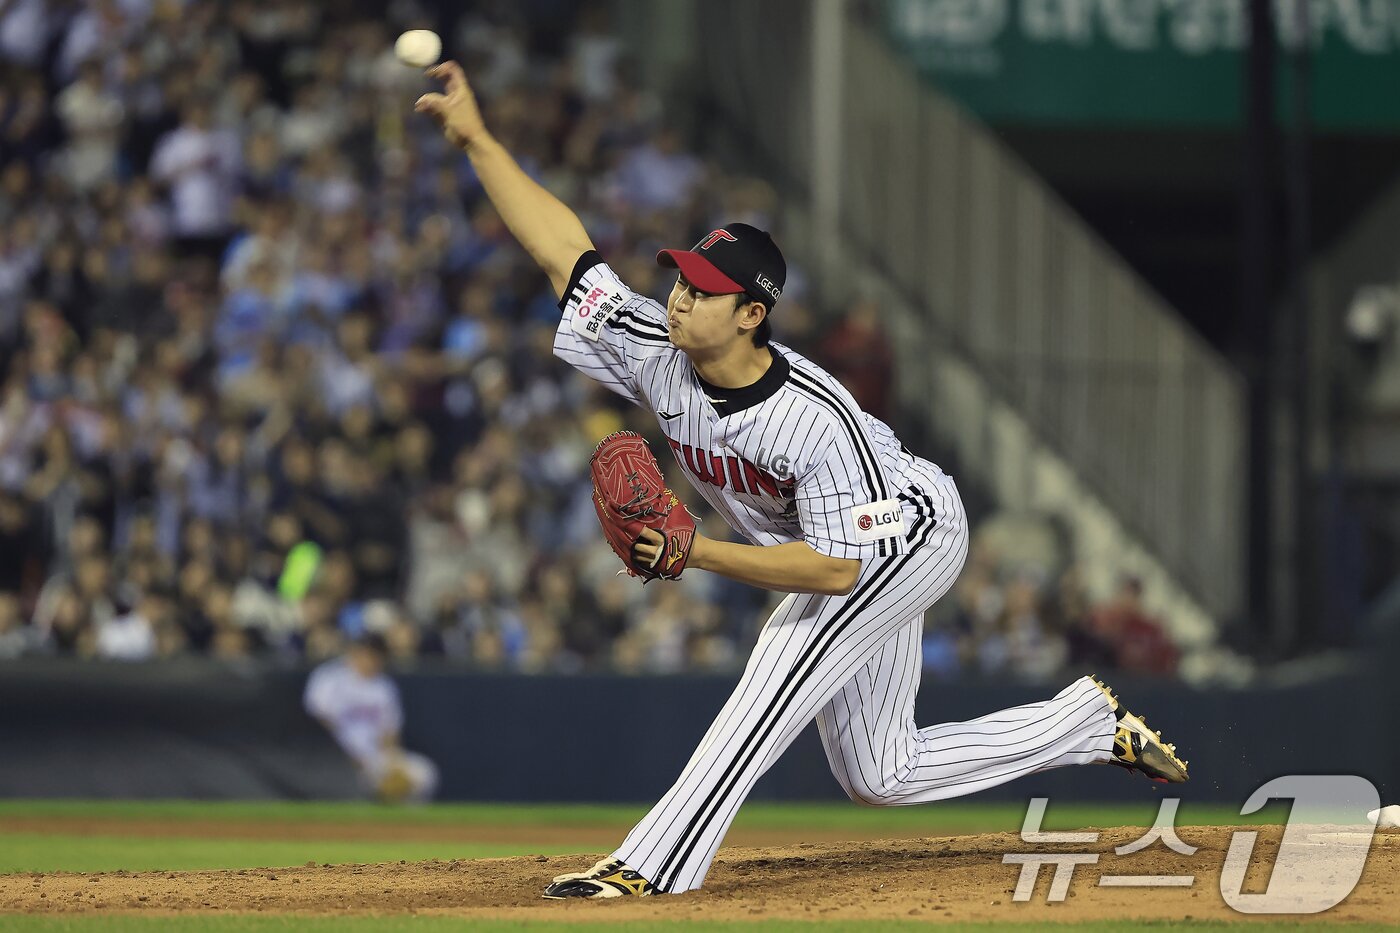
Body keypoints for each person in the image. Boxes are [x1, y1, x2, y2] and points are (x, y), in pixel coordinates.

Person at [416, 61, 1189, 899]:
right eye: (681, 279)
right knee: (880, 772)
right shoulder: (652, 346)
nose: (679, 299)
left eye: (705, 292)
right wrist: (479, 142)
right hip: (833, 545)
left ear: (753, 313)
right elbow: (564, 250)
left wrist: (697, 553)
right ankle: (1082, 723)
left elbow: (833, 571)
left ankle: (651, 865)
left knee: (779, 663)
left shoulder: (813, 419)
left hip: (905, 534)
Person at [302, 633, 438, 803]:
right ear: (354, 652)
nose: (371, 659)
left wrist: (393, 762)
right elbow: (317, 721)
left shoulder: (384, 686)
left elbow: (390, 733)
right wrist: (346, 756)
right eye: (367, 653)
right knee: (357, 782)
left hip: (373, 759)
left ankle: (401, 826)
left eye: (377, 654)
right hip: (336, 758)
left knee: (424, 773)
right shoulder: (329, 677)